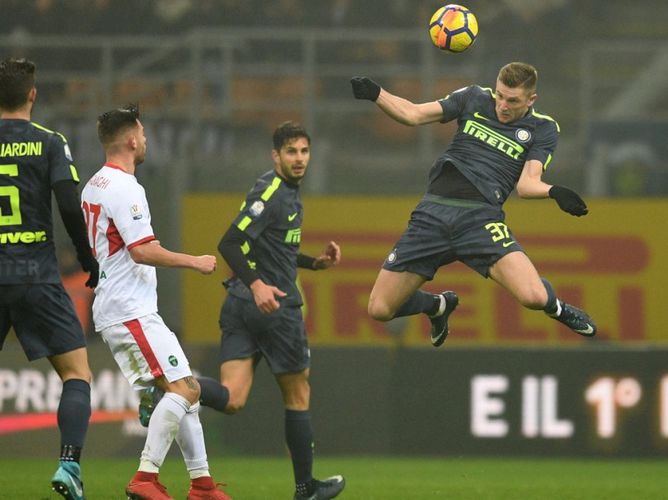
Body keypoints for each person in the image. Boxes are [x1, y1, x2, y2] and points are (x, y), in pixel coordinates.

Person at [146, 121, 345, 500]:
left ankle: (172, 389)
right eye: (291, 152)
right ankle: (306, 489)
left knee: (232, 398)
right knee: (298, 395)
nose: (299, 159)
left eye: (304, 151)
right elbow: (230, 243)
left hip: (239, 305)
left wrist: (314, 264)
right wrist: (257, 286)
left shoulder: (284, 192)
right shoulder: (271, 191)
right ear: (276, 156)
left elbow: (275, 251)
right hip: (271, 306)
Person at [350, 62, 596, 346]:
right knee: (380, 309)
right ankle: (438, 306)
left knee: (534, 297)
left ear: (531, 100)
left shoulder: (542, 128)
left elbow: (527, 185)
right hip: (432, 213)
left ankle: (559, 309)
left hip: (480, 220)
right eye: (500, 95)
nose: (503, 105)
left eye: (513, 100)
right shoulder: (474, 97)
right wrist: (376, 93)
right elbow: (414, 114)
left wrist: (555, 192)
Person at [80, 104, 230, 500]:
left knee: (184, 392)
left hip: (122, 306)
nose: (146, 140)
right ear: (131, 139)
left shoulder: (94, 184)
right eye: (143, 134)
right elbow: (142, 251)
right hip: (130, 310)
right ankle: (145, 478)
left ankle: (202, 485)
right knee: (185, 390)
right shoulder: (127, 188)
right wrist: (194, 262)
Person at [0, 57, 98, 500]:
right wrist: (86, 257)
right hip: (36, 274)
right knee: (76, 373)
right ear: (32, 95)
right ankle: (69, 464)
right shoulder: (49, 143)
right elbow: (69, 205)